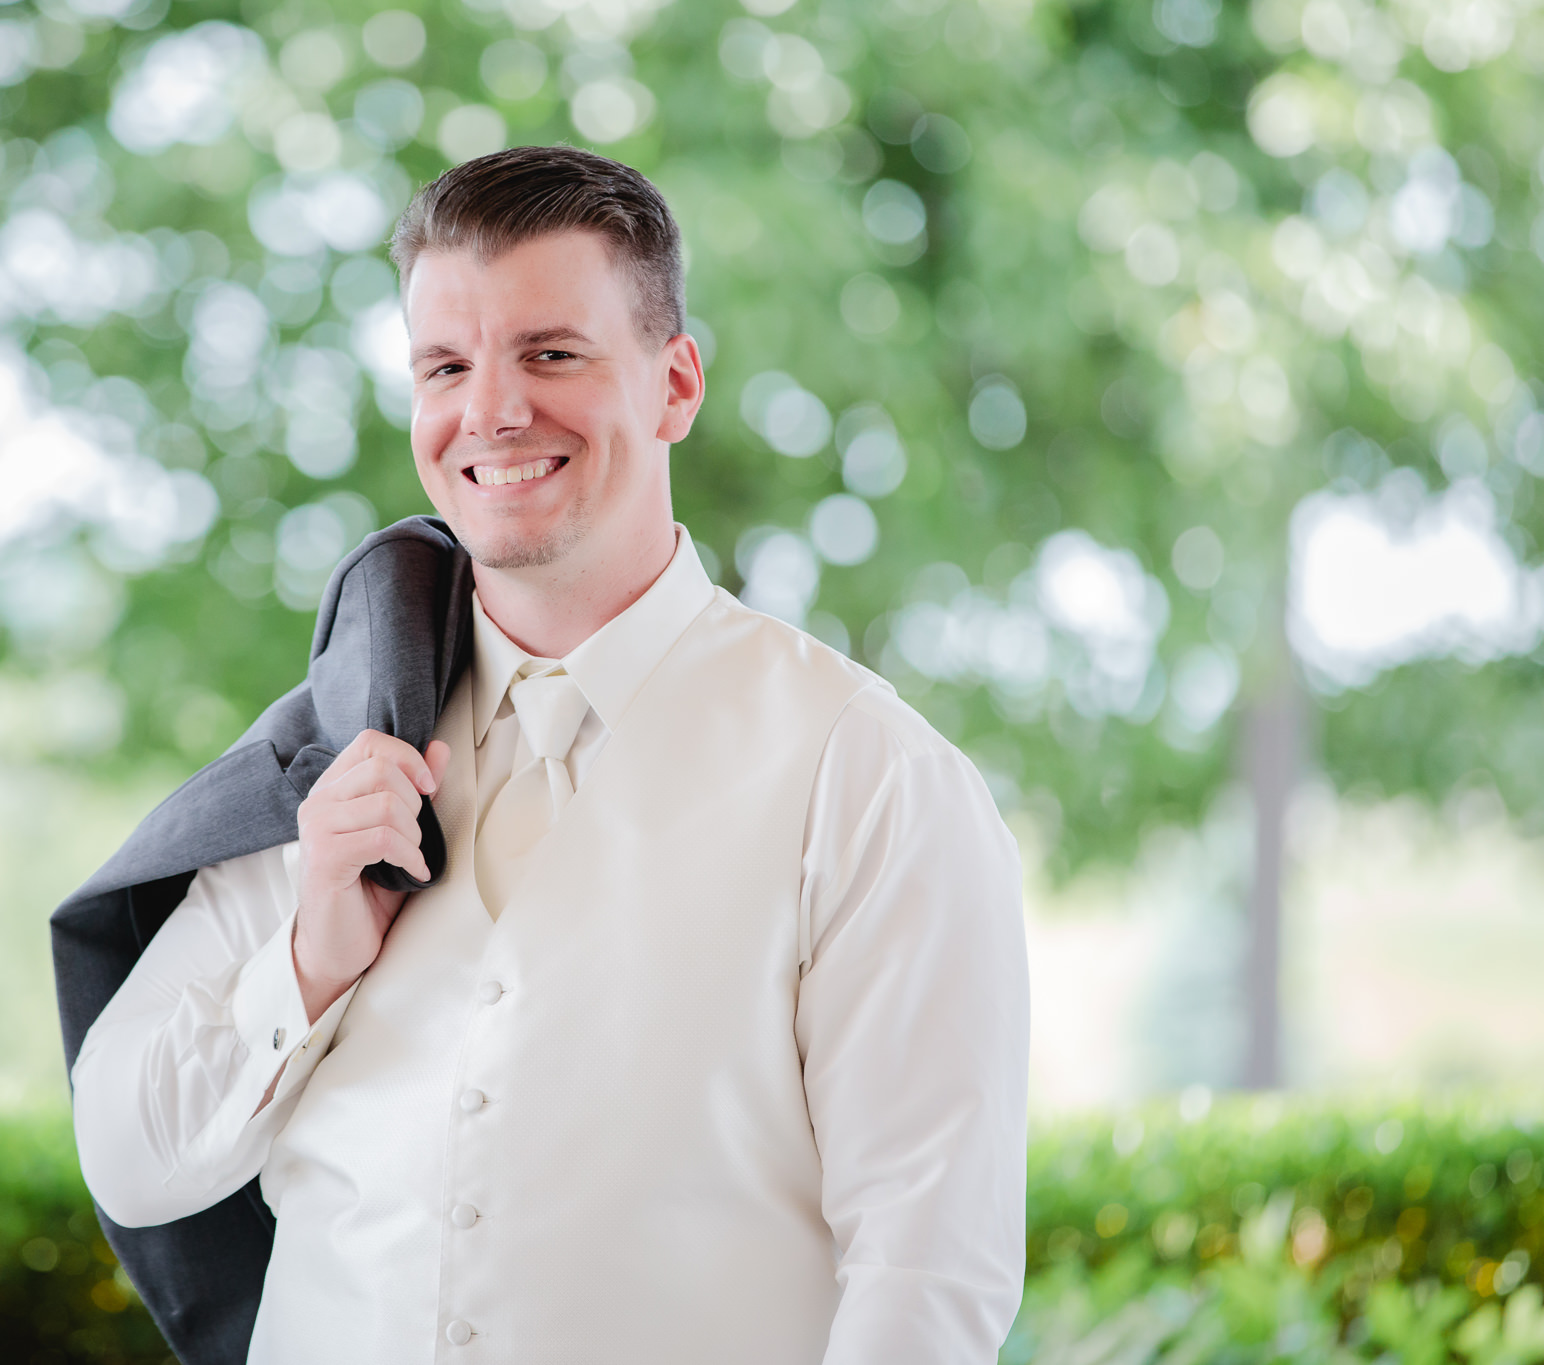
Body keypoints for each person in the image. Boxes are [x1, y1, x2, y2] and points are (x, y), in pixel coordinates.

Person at [70, 146, 1029, 1363]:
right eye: (445, 366)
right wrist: (310, 954)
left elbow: (926, 1272)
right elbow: (130, 1161)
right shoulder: (334, 753)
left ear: (674, 384)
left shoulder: (867, 773)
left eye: (551, 354)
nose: (492, 411)